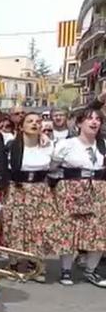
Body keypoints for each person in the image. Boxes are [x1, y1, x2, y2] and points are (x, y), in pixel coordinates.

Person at [51, 107, 106, 287]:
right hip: (71, 188)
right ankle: (66, 270)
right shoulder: (67, 145)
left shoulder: (103, 145)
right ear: (80, 123)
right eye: (90, 119)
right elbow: (52, 167)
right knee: (68, 229)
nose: (94, 122)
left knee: (98, 230)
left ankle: (91, 270)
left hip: (97, 188)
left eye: (98, 119)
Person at [1, 112, 55, 283]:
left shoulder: (48, 145)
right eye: (30, 121)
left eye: (38, 121)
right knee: (16, 226)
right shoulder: (11, 145)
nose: (34, 124)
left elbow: (55, 166)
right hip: (18, 188)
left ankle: (35, 263)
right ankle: (16, 262)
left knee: (38, 227)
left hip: (40, 189)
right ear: (21, 126)